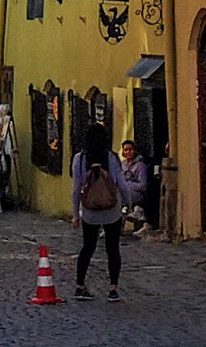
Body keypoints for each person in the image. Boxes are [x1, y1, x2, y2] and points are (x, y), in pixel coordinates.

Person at [70, 123, 126, 300]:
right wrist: (127, 206)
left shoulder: (80, 159)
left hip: (89, 211)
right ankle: (113, 288)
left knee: (88, 247)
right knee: (112, 248)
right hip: (112, 210)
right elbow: (122, 185)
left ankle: (80, 285)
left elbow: (75, 188)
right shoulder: (111, 158)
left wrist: (75, 214)